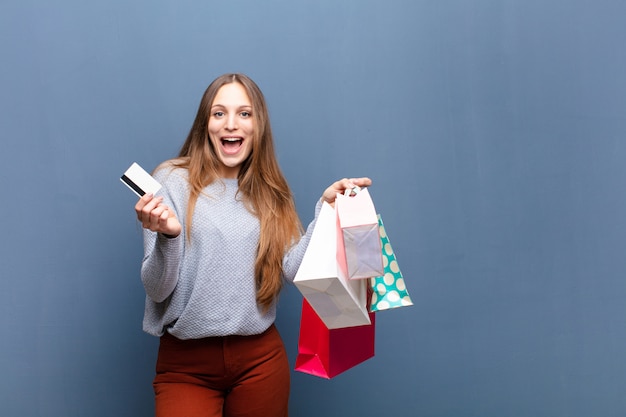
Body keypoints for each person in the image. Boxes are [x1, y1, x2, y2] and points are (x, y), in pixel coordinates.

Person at [133, 73, 371, 417]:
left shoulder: (271, 192)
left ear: (258, 126)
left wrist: (327, 211)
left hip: (260, 360)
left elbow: (295, 269)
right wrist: (169, 238)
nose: (231, 124)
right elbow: (157, 290)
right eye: (219, 113)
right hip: (186, 365)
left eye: (244, 113)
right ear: (206, 124)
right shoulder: (170, 181)